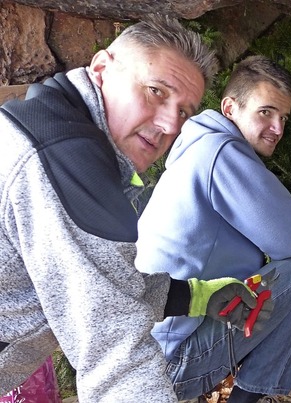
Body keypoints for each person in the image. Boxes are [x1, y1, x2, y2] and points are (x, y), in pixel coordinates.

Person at [0, 16, 259, 402]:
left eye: (184, 111)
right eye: (156, 91)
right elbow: (116, 356)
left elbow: (108, 279)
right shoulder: (63, 161)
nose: (171, 123)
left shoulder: (51, 126)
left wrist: (198, 296)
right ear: (102, 68)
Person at [135, 55, 291, 402]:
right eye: (266, 112)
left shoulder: (202, 148)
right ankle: (247, 398)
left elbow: (267, 218)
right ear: (230, 108)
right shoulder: (223, 153)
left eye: (283, 117)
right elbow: (288, 238)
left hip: (146, 353)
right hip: (171, 364)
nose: (278, 127)